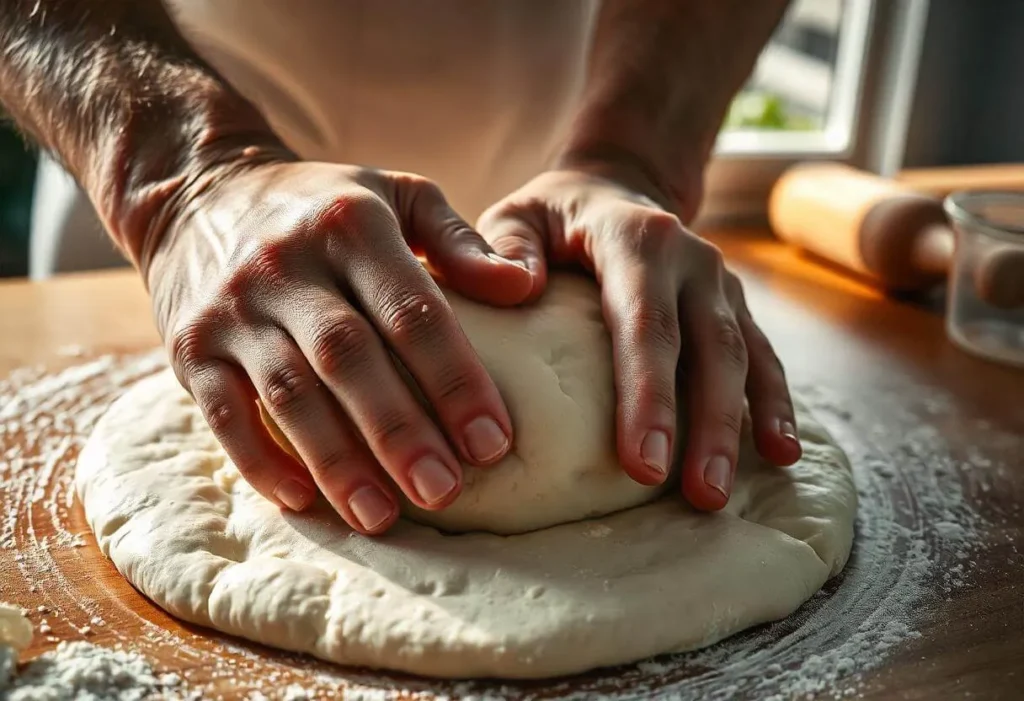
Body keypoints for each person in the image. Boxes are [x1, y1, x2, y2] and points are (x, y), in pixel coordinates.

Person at [0, 0, 802, 535]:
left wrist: (633, 155)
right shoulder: (182, 177)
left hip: (572, 177)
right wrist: (184, 177)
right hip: (179, 175)